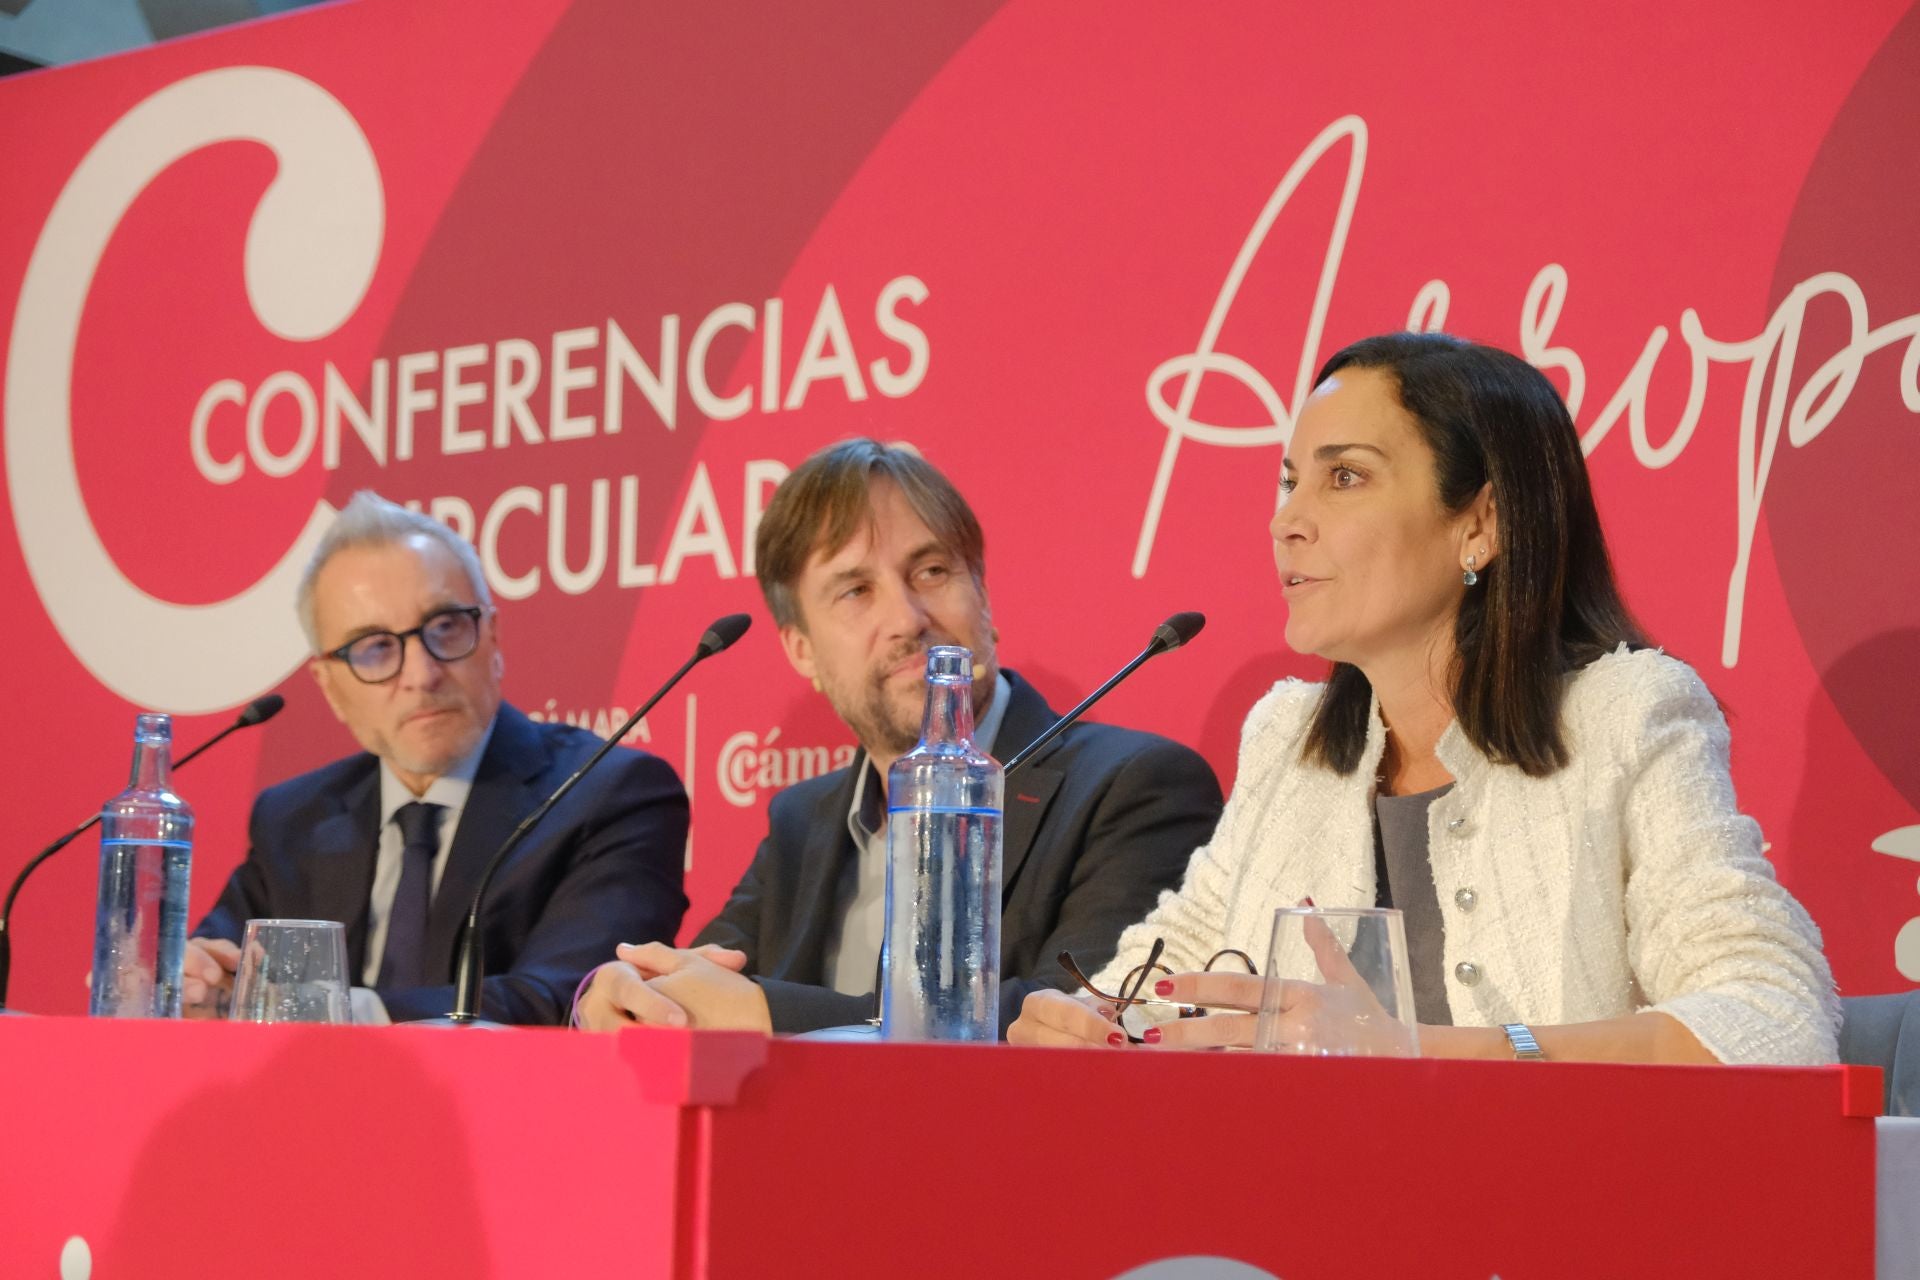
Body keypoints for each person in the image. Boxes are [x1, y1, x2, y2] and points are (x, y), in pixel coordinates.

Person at [1010, 332, 1838, 1064]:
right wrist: (1091, 1023)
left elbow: (1775, 1019)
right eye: (1290, 481)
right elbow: (1161, 980)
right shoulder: (1288, 740)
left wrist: (1428, 1053)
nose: (1287, 520)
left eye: (1344, 477)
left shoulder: (1625, 715)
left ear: (1481, 524)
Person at [575, 438, 1224, 1035]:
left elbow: (1085, 1022)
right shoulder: (802, 819)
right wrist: (617, 998)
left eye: (932, 571)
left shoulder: (1134, 788)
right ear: (802, 651)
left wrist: (772, 1016)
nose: (907, 618)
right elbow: (696, 983)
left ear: (983, 596)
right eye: (856, 590)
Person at [183, 492, 689, 1025]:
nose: (422, 675)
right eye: (375, 647)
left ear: (492, 636)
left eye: (445, 627)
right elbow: (225, 970)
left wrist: (344, 1014)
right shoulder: (294, 819)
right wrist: (201, 980)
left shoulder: (609, 794)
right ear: (329, 685)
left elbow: (573, 1001)